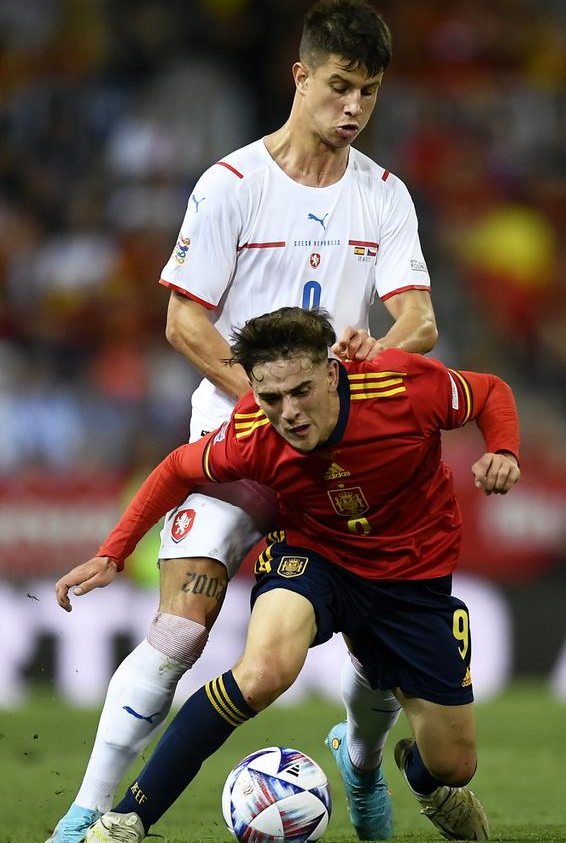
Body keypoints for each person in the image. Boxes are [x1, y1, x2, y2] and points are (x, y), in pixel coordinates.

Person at [46, 0, 439, 843]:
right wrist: (268, 401)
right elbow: (185, 321)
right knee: (179, 630)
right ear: (300, 77)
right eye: (340, 86)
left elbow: (421, 321)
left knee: (376, 646)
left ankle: (363, 763)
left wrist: (382, 348)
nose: (354, 109)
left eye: (369, 92)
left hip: (338, 451)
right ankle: (84, 814)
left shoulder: (385, 196)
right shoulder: (231, 186)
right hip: (235, 443)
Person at [63, 306, 521, 842]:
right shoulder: (253, 431)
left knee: (453, 764)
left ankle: (420, 778)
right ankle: (126, 820)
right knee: (262, 672)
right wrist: (112, 553)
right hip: (315, 555)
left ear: (331, 372)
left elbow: (490, 393)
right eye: (271, 397)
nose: (289, 413)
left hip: (410, 576)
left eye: (300, 390)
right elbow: (176, 468)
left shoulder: (400, 387)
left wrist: (503, 450)